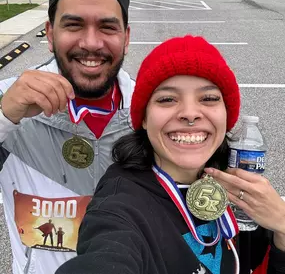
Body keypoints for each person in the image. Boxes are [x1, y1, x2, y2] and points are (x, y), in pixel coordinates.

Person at [56, 35, 285, 274]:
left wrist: (282, 227)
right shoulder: (121, 205)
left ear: (226, 115)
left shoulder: (237, 190)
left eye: (208, 98)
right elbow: (107, 254)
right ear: (143, 118)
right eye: (167, 99)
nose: (189, 113)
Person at [0, 0, 134, 273]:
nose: (91, 43)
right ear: (49, 33)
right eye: (74, 25)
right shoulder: (8, 100)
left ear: (126, 37)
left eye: (108, 27)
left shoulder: (152, 113)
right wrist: (4, 116)